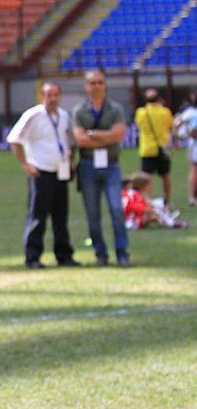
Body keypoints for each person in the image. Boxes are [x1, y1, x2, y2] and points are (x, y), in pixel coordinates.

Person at [8, 83, 79, 269]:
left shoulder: (63, 115)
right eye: (49, 95)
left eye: (56, 95)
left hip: (61, 171)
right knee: (37, 216)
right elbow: (15, 139)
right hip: (41, 172)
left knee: (61, 216)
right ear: (42, 97)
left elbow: (66, 140)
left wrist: (69, 159)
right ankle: (32, 256)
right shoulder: (33, 115)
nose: (53, 99)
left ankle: (64, 255)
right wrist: (25, 164)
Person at [72, 70, 130, 267]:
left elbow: (118, 135)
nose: (96, 86)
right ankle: (101, 253)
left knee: (116, 209)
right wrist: (106, 136)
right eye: (92, 83)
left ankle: (122, 252)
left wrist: (92, 135)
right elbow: (79, 140)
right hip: (87, 166)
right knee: (92, 213)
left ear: (105, 85)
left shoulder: (116, 108)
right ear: (86, 86)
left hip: (112, 165)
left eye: (100, 82)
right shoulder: (79, 110)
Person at [134, 88, 174, 204]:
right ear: (159, 99)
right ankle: (167, 200)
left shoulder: (141, 112)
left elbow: (138, 125)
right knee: (165, 175)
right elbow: (171, 127)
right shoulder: (165, 111)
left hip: (147, 149)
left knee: (146, 177)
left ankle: (147, 202)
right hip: (163, 148)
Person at [122, 172, 187, 229]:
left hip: (131, 218)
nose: (150, 186)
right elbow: (142, 208)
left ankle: (169, 219)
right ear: (142, 186)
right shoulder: (134, 195)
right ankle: (172, 223)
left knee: (158, 206)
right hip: (131, 222)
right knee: (154, 212)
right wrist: (155, 211)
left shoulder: (134, 193)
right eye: (148, 184)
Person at [173, 91, 197, 206]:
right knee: (194, 169)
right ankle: (192, 196)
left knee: (194, 169)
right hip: (194, 145)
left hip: (193, 145)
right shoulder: (192, 113)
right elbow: (192, 131)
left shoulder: (190, 112)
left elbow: (177, 122)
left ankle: (192, 196)